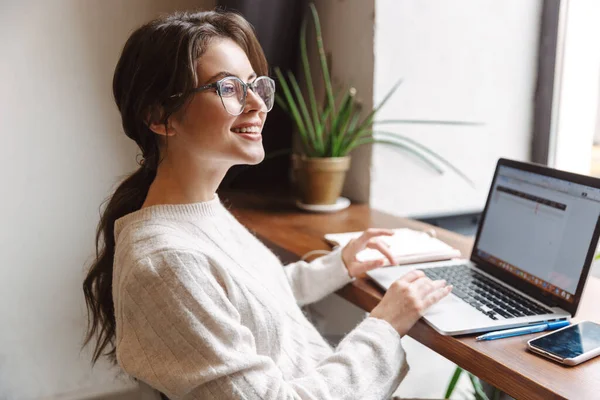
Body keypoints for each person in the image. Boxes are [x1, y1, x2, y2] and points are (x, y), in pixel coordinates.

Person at [82, 9, 453, 400]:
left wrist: (338, 265)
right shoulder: (167, 261)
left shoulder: (197, 212)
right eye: (228, 88)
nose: (257, 104)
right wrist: (385, 326)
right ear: (160, 117)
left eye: (254, 86)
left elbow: (249, 301)